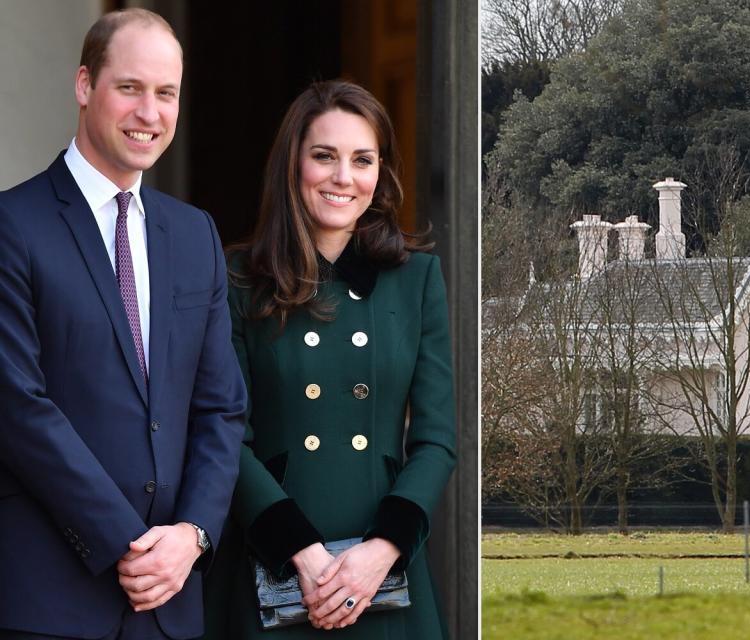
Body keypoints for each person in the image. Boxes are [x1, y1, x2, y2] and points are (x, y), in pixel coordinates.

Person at [0, 9, 246, 640]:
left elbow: (220, 409)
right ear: (85, 86)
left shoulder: (196, 236)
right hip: (51, 601)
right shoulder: (13, 225)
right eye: (129, 88)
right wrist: (128, 544)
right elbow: (18, 407)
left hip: (170, 603)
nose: (149, 112)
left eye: (166, 94)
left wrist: (190, 537)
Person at [203, 80, 457, 639]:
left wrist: (381, 552)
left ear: (379, 173)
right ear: (293, 164)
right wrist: (304, 555)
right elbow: (225, 435)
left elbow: (437, 440)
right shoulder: (238, 278)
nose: (344, 177)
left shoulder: (416, 279)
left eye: (362, 160)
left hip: (385, 579)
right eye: (325, 156)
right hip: (272, 569)